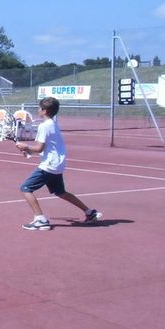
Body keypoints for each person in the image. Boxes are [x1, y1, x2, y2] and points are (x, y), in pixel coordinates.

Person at [15, 96, 102, 230]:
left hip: (49, 166)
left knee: (26, 188)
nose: (38, 110)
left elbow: (39, 148)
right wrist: (28, 151)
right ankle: (89, 212)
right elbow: (45, 148)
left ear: (44, 111)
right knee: (60, 192)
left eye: (40, 108)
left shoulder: (44, 126)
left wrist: (25, 146)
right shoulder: (53, 124)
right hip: (57, 164)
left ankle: (40, 220)